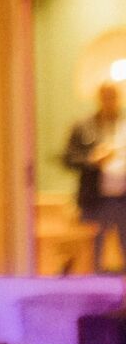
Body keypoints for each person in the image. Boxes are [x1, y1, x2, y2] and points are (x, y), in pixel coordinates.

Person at [63, 82, 125, 271]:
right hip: (96, 199)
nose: (109, 101)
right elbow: (69, 158)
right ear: (99, 99)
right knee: (94, 251)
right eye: (105, 97)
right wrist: (93, 159)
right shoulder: (84, 126)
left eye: (112, 96)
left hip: (123, 199)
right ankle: (96, 286)